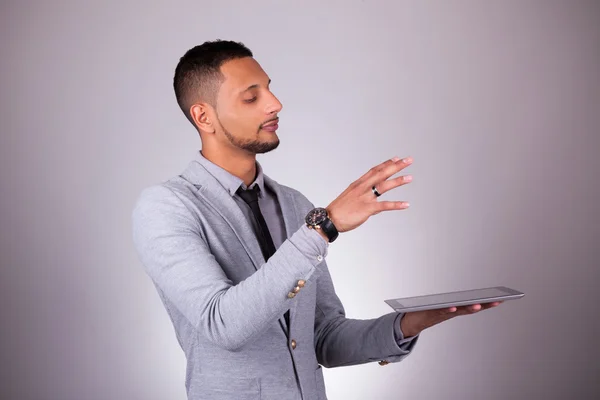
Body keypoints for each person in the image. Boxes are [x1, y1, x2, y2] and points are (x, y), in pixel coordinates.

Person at [131, 39, 502, 400]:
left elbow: (323, 339)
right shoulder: (166, 207)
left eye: (269, 90)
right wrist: (325, 227)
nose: (275, 104)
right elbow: (223, 324)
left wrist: (408, 325)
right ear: (203, 116)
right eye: (251, 96)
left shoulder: (294, 205)